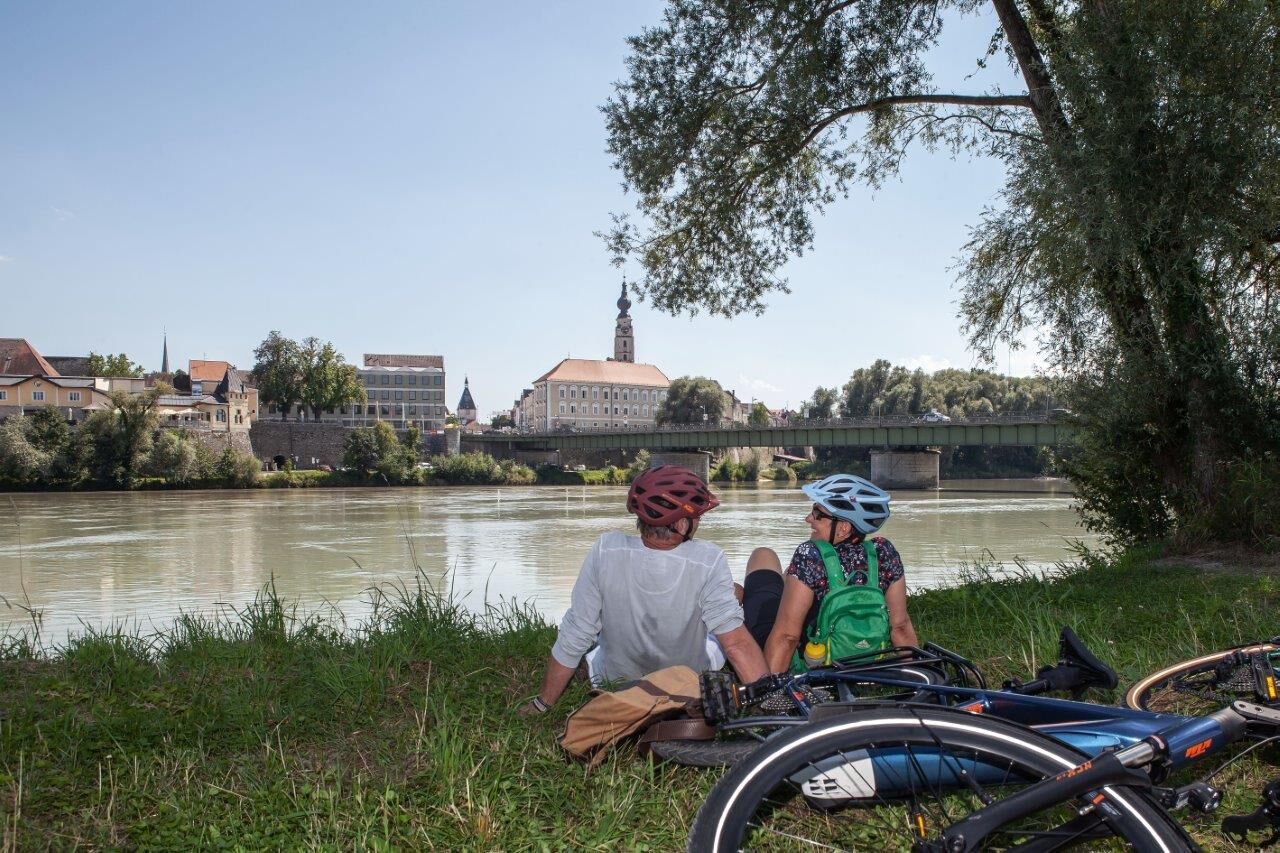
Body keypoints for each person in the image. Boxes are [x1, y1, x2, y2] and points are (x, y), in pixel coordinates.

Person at [519, 465, 769, 716]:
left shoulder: (605, 550)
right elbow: (735, 644)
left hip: (614, 680)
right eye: (697, 516)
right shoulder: (708, 559)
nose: (699, 522)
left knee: (591, 624)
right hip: (687, 681)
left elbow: (576, 633)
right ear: (682, 524)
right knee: (734, 596)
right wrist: (771, 701)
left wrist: (542, 703)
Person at [740, 473, 918, 674]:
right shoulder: (884, 552)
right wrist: (919, 674)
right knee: (790, 573)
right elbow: (900, 626)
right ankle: (786, 579)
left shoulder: (810, 555)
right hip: (863, 664)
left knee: (763, 555)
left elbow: (787, 637)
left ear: (843, 528)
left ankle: (775, 584)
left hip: (811, 663)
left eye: (817, 513)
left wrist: (771, 686)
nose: (808, 518)